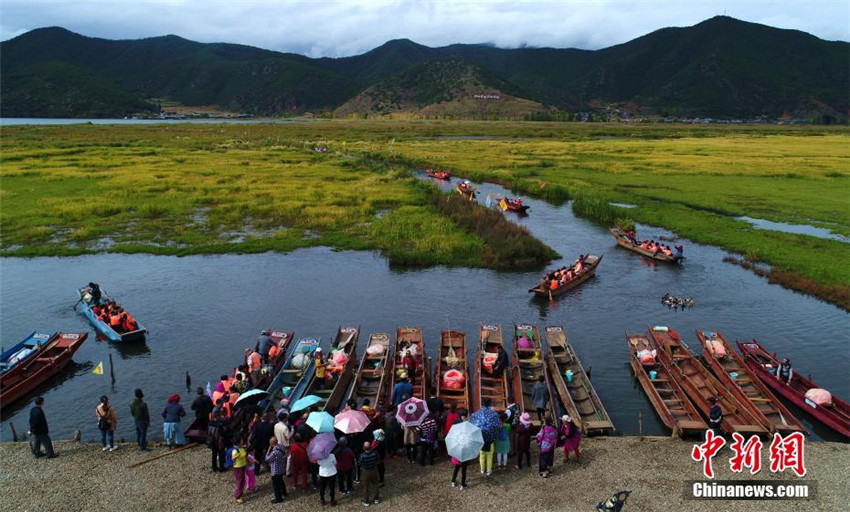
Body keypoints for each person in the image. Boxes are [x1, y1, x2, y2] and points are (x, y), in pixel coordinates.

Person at [450, 409, 470, 490]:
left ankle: (453, 481)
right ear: (467, 414)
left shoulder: (456, 421)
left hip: (457, 444)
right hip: (465, 445)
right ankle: (462, 484)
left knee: (457, 466)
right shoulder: (468, 423)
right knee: (464, 469)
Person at [266, 436, 289, 504]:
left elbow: (267, 459)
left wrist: (268, 451)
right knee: (281, 481)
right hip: (281, 468)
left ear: (271, 444)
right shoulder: (281, 446)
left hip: (275, 470)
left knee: (275, 485)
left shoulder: (274, 452)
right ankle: (284, 493)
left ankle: (278, 498)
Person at [359, 440, 381, 506]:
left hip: (365, 471)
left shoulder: (361, 456)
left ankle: (366, 501)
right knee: (375, 484)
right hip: (374, 470)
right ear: (370, 447)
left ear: (363, 448)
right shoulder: (375, 453)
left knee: (365, 486)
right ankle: (376, 499)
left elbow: (359, 463)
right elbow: (378, 458)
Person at [230, 437, 249, 504]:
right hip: (238, 467)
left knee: (243, 480)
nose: (242, 441)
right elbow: (233, 458)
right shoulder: (235, 450)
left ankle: (240, 492)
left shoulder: (241, 448)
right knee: (240, 481)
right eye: (241, 440)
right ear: (238, 443)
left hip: (243, 466)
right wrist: (237, 456)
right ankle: (237, 497)